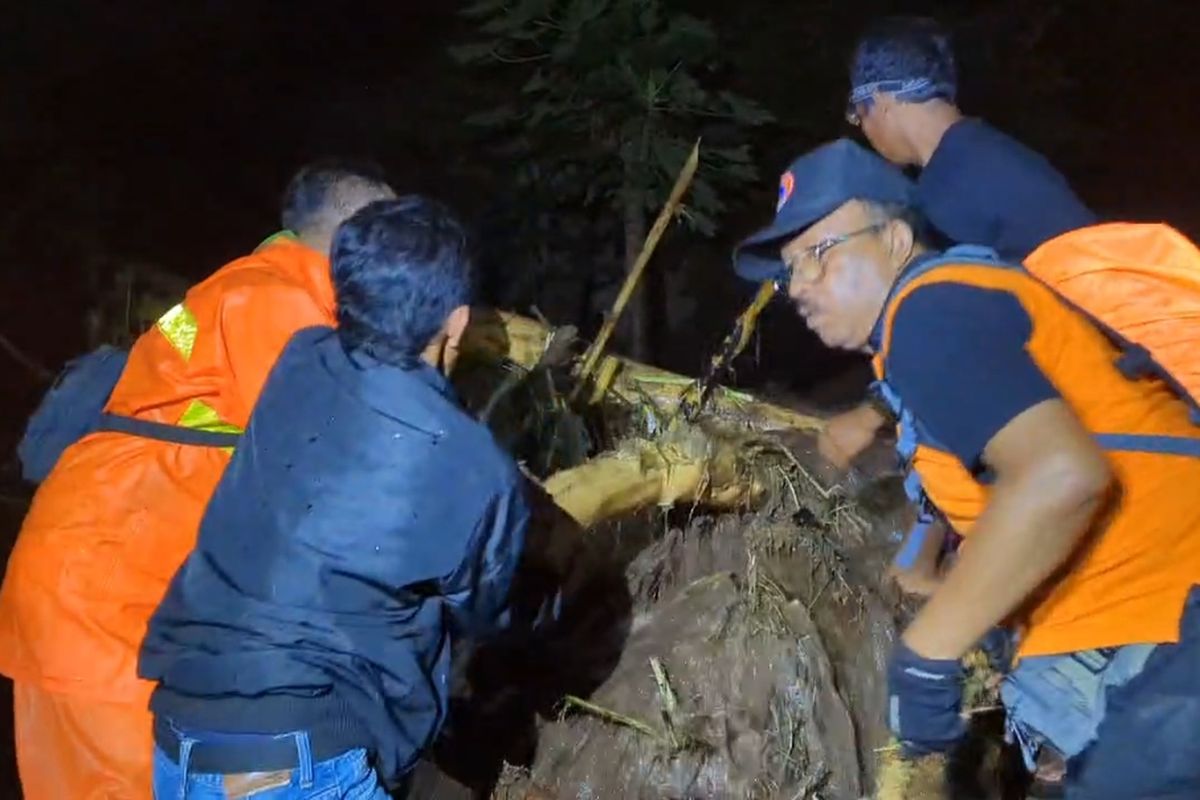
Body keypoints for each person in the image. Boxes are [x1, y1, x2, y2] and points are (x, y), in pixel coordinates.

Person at [734, 139, 1200, 797]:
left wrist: (929, 651)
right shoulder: (938, 319)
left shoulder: (931, 313)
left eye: (817, 255)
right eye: (786, 274)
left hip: (1166, 641)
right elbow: (979, 478)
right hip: (1147, 645)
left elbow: (1059, 476)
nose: (798, 289)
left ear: (895, 238)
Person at [0, 162, 396, 799]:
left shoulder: (234, 291)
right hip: (112, 617)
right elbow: (343, 459)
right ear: (357, 234)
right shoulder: (277, 302)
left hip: (80, 595)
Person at [139, 195, 532, 798]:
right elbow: (488, 608)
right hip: (295, 755)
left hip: (179, 735)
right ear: (456, 323)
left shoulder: (298, 361)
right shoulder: (469, 464)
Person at [821, 15, 1097, 471]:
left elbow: (950, 327)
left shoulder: (947, 191)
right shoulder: (991, 156)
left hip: (1087, 410)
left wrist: (871, 415)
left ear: (883, 101)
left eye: (859, 112)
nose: (862, 129)